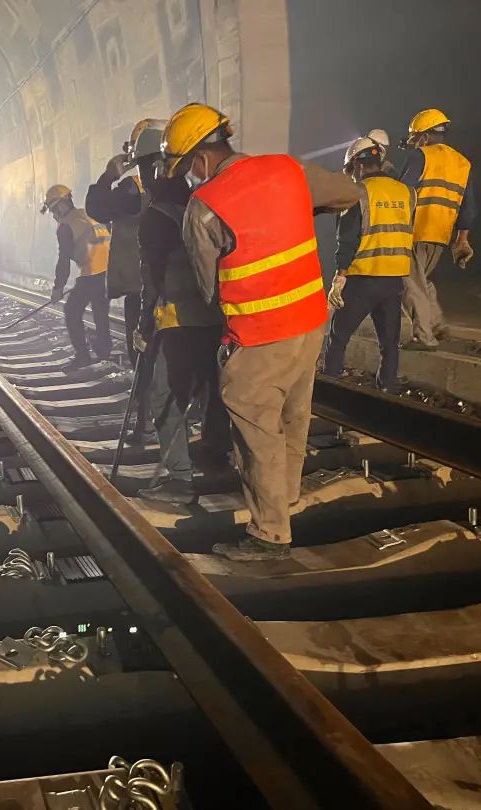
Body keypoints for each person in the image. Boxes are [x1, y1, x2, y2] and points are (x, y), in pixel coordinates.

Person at [162, 103, 359, 561]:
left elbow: (209, 289)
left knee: (257, 431)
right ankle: (285, 500)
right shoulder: (288, 170)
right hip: (309, 320)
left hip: (259, 333)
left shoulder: (203, 207)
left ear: (200, 159)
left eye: (188, 167)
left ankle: (270, 535)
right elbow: (349, 193)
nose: (190, 176)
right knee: (294, 414)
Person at [134, 157, 232, 504]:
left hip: (177, 321)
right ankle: (219, 462)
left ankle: (179, 478)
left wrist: (144, 324)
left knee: (166, 397)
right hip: (214, 316)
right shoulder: (203, 205)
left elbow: (152, 276)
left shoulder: (154, 217)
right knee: (213, 392)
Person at [86, 119, 164, 442]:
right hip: (177, 288)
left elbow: (97, 208)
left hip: (140, 288)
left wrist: (109, 175)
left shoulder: (134, 188)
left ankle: (145, 423)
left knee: (143, 356)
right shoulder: (183, 182)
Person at [322, 138, 415, 392]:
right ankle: (386, 390)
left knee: (338, 337)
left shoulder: (357, 193)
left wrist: (339, 277)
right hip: (395, 280)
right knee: (389, 343)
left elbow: (347, 239)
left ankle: (329, 386)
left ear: (357, 164)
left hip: (362, 279)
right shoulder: (406, 192)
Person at [398, 108, 475, 350]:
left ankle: (425, 337)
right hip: (441, 235)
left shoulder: (419, 156)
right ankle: (437, 325)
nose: (413, 143)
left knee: (408, 284)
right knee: (421, 280)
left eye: (415, 138)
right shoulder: (462, 163)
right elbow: (468, 207)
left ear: (423, 136)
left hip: (414, 230)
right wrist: (462, 239)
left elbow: (402, 192)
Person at [42, 185, 113, 369]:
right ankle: (104, 351)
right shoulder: (89, 213)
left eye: (54, 210)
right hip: (109, 272)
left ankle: (83, 356)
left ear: (62, 204)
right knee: (100, 313)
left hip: (91, 273)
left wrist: (58, 288)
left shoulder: (66, 227)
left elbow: (64, 259)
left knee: (72, 311)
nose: (54, 214)